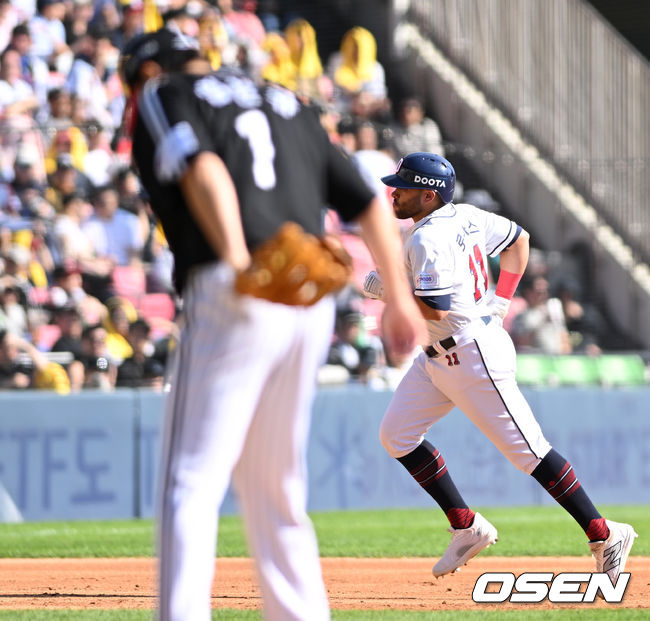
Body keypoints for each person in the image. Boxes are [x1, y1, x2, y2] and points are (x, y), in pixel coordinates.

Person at [120, 27, 424, 621]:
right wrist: (400, 300)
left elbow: (201, 168)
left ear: (148, 72)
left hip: (236, 284)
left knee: (190, 481)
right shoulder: (280, 97)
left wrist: (238, 264)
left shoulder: (164, 92)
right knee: (277, 492)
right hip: (308, 303)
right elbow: (363, 198)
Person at [365, 152, 637, 585]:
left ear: (429, 194)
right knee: (396, 436)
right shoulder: (467, 216)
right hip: (440, 355)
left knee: (529, 452)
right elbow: (519, 239)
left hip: (472, 355)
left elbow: (433, 311)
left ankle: (605, 534)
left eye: (404, 185)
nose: (394, 191)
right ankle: (466, 525)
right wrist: (503, 299)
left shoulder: (426, 239)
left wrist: (388, 290)